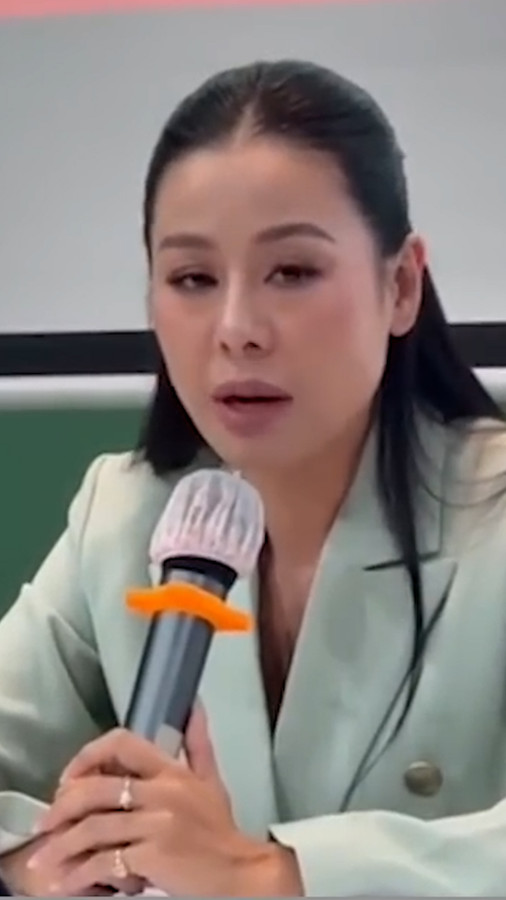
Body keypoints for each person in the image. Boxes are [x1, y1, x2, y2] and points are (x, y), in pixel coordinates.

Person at [0, 58, 506, 897]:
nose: (236, 329)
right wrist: (37, 860)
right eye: (193, 280)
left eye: (293, 272)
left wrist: (272, 874)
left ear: (401, 285)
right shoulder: (125, 515)